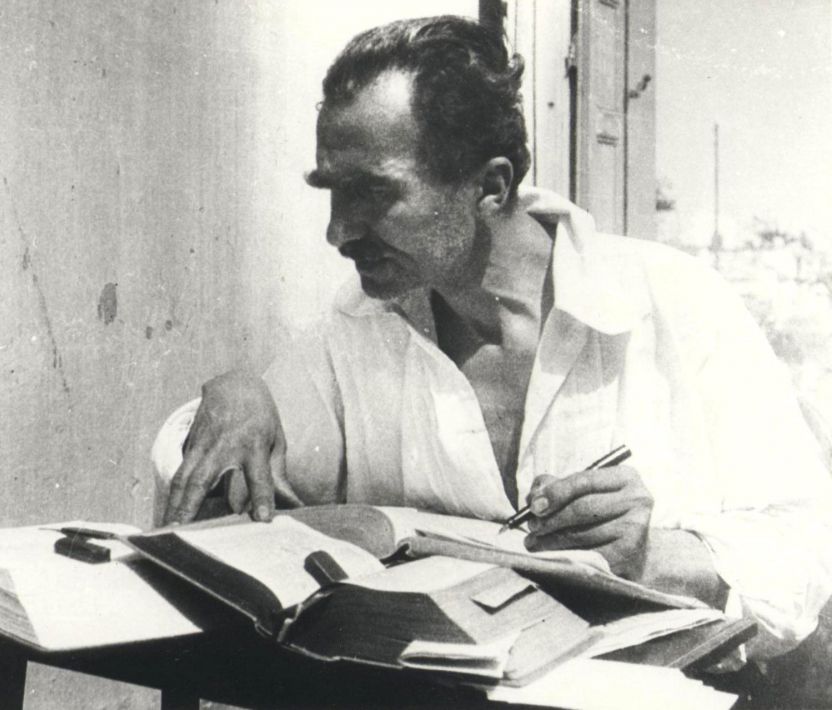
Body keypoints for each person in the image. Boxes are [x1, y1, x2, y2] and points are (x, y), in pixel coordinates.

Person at [153, 15, 832, 660]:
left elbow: (807, 550)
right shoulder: (359, 329)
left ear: (491, 185)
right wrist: (237, 396)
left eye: (373, 193)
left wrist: (649, 555)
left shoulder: (674, 302)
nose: (338, 232)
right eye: (331, 191)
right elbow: (231, 475)